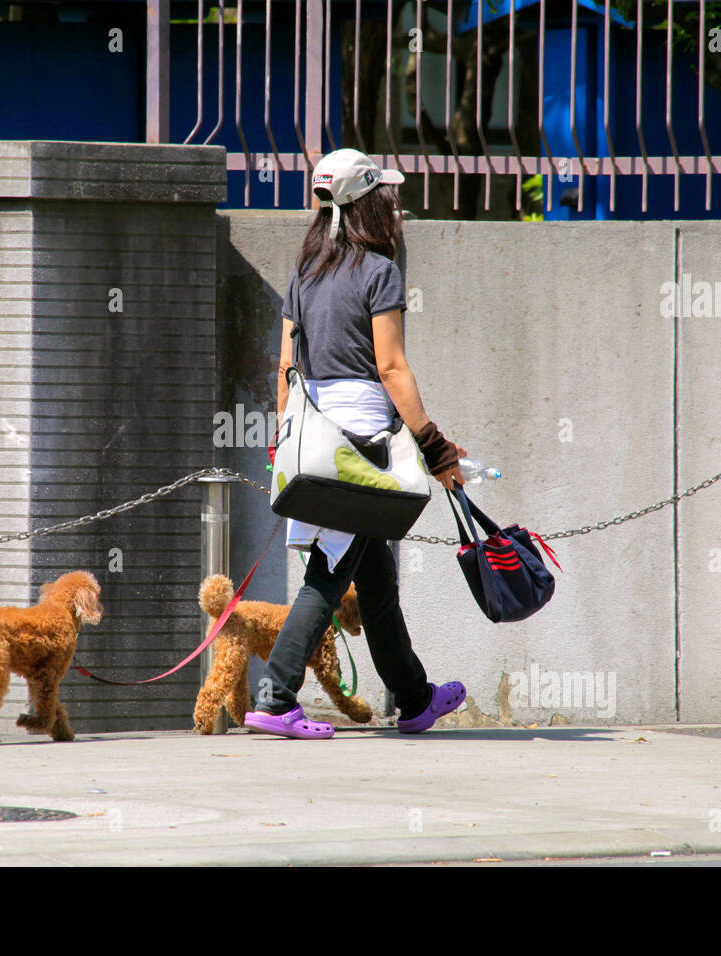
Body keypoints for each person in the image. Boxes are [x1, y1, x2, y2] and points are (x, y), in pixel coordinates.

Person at [245, 148, 468, 740]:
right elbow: (392, 368)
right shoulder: (378, 271)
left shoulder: (305, 274)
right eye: (384, 198)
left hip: (312, 435)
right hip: (364, 442)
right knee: (330, 568)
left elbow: (287, 367)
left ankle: (415, 698)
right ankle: (274, 696)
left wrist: (284, 443)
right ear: (369, 203)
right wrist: (434, 446)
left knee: (373, 577)